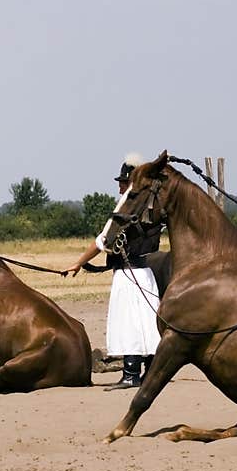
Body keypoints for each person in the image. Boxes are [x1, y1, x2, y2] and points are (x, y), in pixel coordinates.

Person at [63, 154, 163, 390]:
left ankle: (130, 374)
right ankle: (149, 372)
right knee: (146, 324)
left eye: (122, 182)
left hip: (128, 275)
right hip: (144, 274)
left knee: (129, 324)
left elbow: (102, 242)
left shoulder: (126, 210)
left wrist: (78, 263)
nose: (119, 187)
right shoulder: (152, 209)